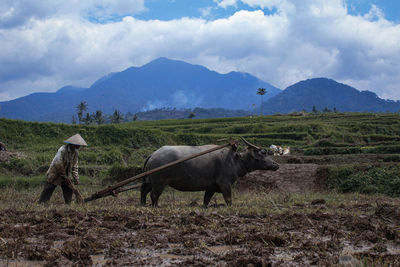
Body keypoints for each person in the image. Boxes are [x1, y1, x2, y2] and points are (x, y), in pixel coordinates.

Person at [38, 133, 87, 204]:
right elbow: (58, 163)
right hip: (55, 172)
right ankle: (42, 203)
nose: (79, 146)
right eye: (78, 145)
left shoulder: (75, 152)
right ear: (73, 144)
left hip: (66, 174)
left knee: (69, 188)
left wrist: (76, 178)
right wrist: (64, 176)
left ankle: (68, 204)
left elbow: (75, 166)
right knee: (49, 187)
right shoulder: (62, 150)